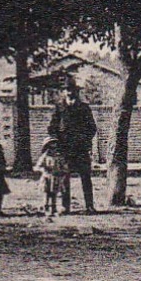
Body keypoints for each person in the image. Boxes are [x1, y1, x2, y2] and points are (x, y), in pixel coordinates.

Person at [49, 83, 98, 213]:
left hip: (81, 149)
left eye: (72, 90)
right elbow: (52, 128)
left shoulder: (84, 108)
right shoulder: (59, 108)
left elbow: (92, 128)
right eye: (67, 90)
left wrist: (84, 140)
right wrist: (57, 143)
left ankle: (89, 205)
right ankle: (65, 206)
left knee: (86, 177)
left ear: (77, 92)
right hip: (64, 150)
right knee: (64, 178)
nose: (70, 93)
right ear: (64, 92)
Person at [34, 137, 70, 219]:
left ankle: (53, 209)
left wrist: (63, 171)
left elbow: (64, 166)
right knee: (46, 193)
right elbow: (38, 166)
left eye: (55, 144)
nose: (54, 146)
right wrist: (44, 170)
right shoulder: (45, 156)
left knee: (54, 193)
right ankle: (46, 208)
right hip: (47, 177)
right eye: (51, 144)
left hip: (56, 177)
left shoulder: (59, 156)